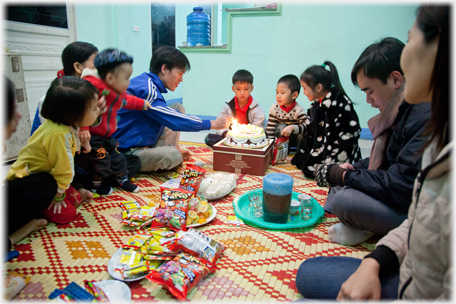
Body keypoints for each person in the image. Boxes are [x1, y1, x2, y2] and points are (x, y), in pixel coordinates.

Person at [296, 5, 450, 300]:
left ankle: (364, 223)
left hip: (419, 276)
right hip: (411, 254)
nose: (406, 54)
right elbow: (422, 219)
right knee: (308, 274)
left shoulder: (426, 118)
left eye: (411, 38)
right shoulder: (404, 115)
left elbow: (401, 188)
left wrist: (344, 174)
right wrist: (375, 262)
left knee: (342, 194)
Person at [313, 37, 432, 246]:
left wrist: (346, 176)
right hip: (396, 188)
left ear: (396, 80)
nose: (368, 100)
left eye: (370, 91)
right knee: (338, 181)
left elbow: (401, 186)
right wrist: (349, 169)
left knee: (344, 200)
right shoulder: (398, 111)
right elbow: (387, 161)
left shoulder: (423, 115)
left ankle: (370, 227)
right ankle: (364, 223)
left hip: (415, 210)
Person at [7, 76, 99, 238]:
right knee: (67, 214)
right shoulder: (59, 135)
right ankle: (43, 207)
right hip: (31, 180)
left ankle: (65, 193)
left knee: (77, 199)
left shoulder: (64, 125)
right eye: (94, 109)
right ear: (75, 114)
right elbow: (65, 170)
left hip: (49, 175)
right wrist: (58, 196)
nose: (98, 111)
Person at [113, 45, 229, 172]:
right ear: (164, 69)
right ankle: (168, 155)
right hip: (126, 152)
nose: (181, 79)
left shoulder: (146, 82)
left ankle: (167, 152)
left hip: (140, 140)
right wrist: (213, 123)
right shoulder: (147, 90)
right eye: (180, 73)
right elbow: (174, 120)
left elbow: (170, 115)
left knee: (177, 108)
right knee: (172, 155)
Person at [83, 49, 150, 195]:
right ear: (110, 78)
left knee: (118, 160)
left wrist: (142, 103)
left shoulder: (116, 93)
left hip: (108, 137)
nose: (129, 82)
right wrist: (83, 130)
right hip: (93, 139)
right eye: (127, 78)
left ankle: (123, 180)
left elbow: (128, 100)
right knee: (102, 162)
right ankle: (97, 185)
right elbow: (81, 108)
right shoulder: (93, 87)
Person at [291, 61, 362, 178]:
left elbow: (351, 132)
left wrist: (334, 156)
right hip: (322, 148)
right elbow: (312, 132)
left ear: (318, 87)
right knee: (300, 160)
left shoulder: (339, 102)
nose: (303, 92)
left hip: (339, 151)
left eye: (304, 88)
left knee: (319, 171)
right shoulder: (316, 104)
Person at [204, 69, 266, 147]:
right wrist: (226, 134)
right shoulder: (228, 106)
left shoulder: (257, 109)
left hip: (250, 141)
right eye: (238, 89)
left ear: (252, 88)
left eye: (246, 89)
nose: (242, 92)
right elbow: (219, 124)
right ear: (233, 89)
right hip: (231, 138)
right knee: (210, 138)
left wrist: (246, 137)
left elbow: (259, 128)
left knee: (264, 140)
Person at [265, 74, 309, 153]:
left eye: (282, 93)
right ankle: (282, 153)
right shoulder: (274, 108)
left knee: (303, 135)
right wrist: (270, 145)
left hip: (294, 139)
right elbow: (270, 128)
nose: (278, 96)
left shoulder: (299, 110)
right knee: (281, 126)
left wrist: (292, 127)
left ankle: (300, 155)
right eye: (277, 92)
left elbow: (306, 127)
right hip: (282, 139)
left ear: (294, 95)